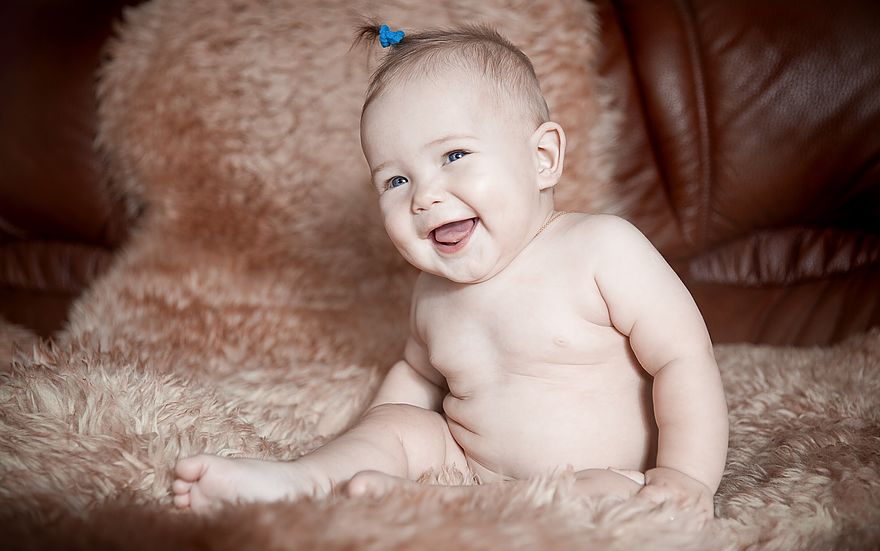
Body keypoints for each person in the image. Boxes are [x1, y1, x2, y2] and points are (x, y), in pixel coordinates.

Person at [173, 23, 729, 521]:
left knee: (598, 497)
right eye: (395, 181)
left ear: (542, 158)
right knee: (401, 427)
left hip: (603, 478)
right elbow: (416, 377)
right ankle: (301, 480)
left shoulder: (603, 249)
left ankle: (436, 505)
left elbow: (683, 358)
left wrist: (686, 477)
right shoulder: (433, 293)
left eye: (454, 156)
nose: (424, 196)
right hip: (467, 464)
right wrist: (374, 430)